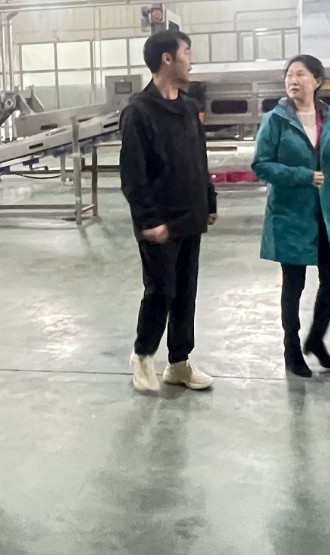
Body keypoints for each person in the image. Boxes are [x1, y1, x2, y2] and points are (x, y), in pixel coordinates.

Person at [250, 55, 330, 379]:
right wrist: (302, 176)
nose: (293, 80)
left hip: (325, 212)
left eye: (300, 74)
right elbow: (260, 165)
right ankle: (291, 348)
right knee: (294, 283)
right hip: (290, 214)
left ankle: (316, 339)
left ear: (317, 80)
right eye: (289, 75)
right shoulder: (275, 120)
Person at [119, 30, 217, 393]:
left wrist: (208, 200)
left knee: (186, 292)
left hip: (190, 213)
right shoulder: (139, 111)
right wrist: (149, 220)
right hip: (159, 221)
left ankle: (179, 363)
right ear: (167, 58)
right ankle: (143, 355)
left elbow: (199, 159)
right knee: (161, 290)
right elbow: (133, 174)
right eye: (186, 52)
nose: (190, 60)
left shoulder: (189, 107)